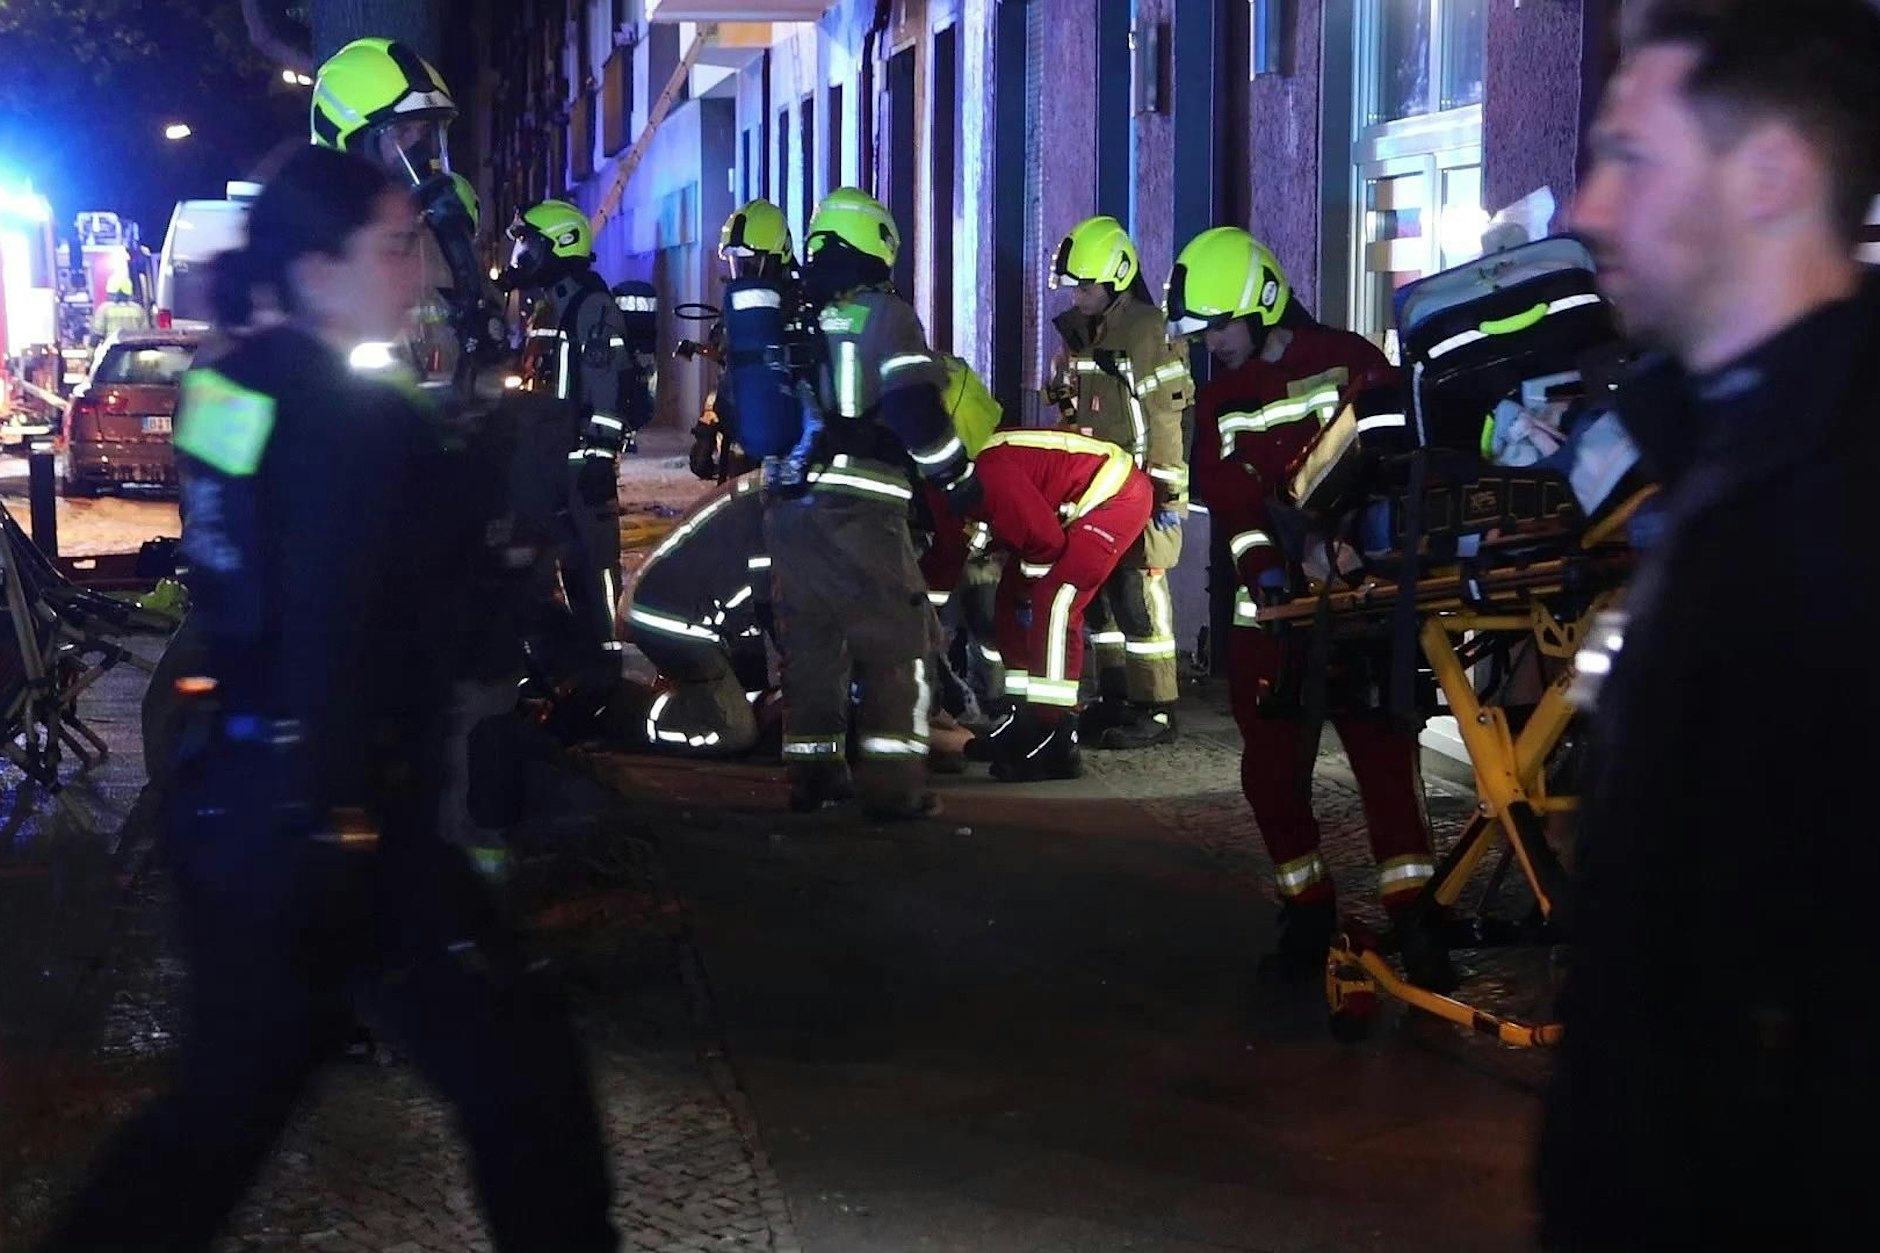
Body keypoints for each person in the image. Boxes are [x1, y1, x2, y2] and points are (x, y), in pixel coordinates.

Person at [34, 146, 617, 1253]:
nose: (419, 271)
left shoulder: (228, 385)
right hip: (340, 818)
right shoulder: (346, 417)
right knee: (523, 1093)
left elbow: (247, 568)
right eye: (395, 245)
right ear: (315, 267)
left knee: (215, 1124)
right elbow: (362, 612)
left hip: (255, 802)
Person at [1536, 2, 1880, 1247]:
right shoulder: (1720, 452)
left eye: (1629, 156)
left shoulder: (1837, 510)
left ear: (1772, 175)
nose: (1587, 209)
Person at [1172, 225, 1448, 988]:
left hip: (1358, 602)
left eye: (1219, 327)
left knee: (1385, 763)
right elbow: (1226, 499)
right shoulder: (1219, 395)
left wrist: (1359, 545)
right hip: (1269, 621)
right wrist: (1267, 568)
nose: (1213, 344)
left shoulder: (1350, 359)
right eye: (1204, 333)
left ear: (1261, 303)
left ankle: (1415, 915)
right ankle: (1308, 911)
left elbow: (1396, 459)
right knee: (1270, 776)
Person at [767, 187, 978, 819]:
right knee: (896, 647)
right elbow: (915, 407)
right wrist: (957, 478)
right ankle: (893, 790)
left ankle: (813, 776)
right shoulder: (885, 316)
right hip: (862, 511)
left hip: (788, 509)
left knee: (811, 646)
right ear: (877, 245)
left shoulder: (790, 317)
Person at [1046, 215, 1193, 748]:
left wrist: (1166, 491)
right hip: (1096, 490)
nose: (1078, 296)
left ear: (1117, 278)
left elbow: (1165, 416)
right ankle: (1115, 697)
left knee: (1139, 594)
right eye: (1075, 286)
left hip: (1141, 489)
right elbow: (1074, 409)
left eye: (1086, 286)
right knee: (1103, 598)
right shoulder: (1086, 335)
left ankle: (1156, 708)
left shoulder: (1148, 332)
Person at [501, 198, 635, 721]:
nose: (522, 252)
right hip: (542, 461)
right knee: (538, 568)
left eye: (529, 242)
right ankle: (557, 669)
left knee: (591, 570)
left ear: (558, 244)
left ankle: (603, 674)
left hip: (580, 465)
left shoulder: (591, 307)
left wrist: (601, 456)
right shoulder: (547, 305)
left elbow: (604, 384)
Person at [963, 428, 1153, 782]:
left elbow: (1045, 545)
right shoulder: (979, 479)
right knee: (1009, 599)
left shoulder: (990, 477)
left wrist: (1028, 586)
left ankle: (1055, 733)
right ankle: (1024, 719)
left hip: (1116, 498)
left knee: (1056, 599)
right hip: (1082, 504)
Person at [620, 468, 773, 756]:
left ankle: (694, 699)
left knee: (749, 704)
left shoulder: (785, 486)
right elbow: (787, 626)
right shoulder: (788, 517)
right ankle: (625, 712)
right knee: (733, 733)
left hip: (704, 616)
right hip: (673, 620)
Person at [90, 275, 149, 342]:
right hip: (134, 348)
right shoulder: (138, 309)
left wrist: (90, 351)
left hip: (113, 349)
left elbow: (97, 334)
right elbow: (145, 333)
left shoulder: (104, 309)